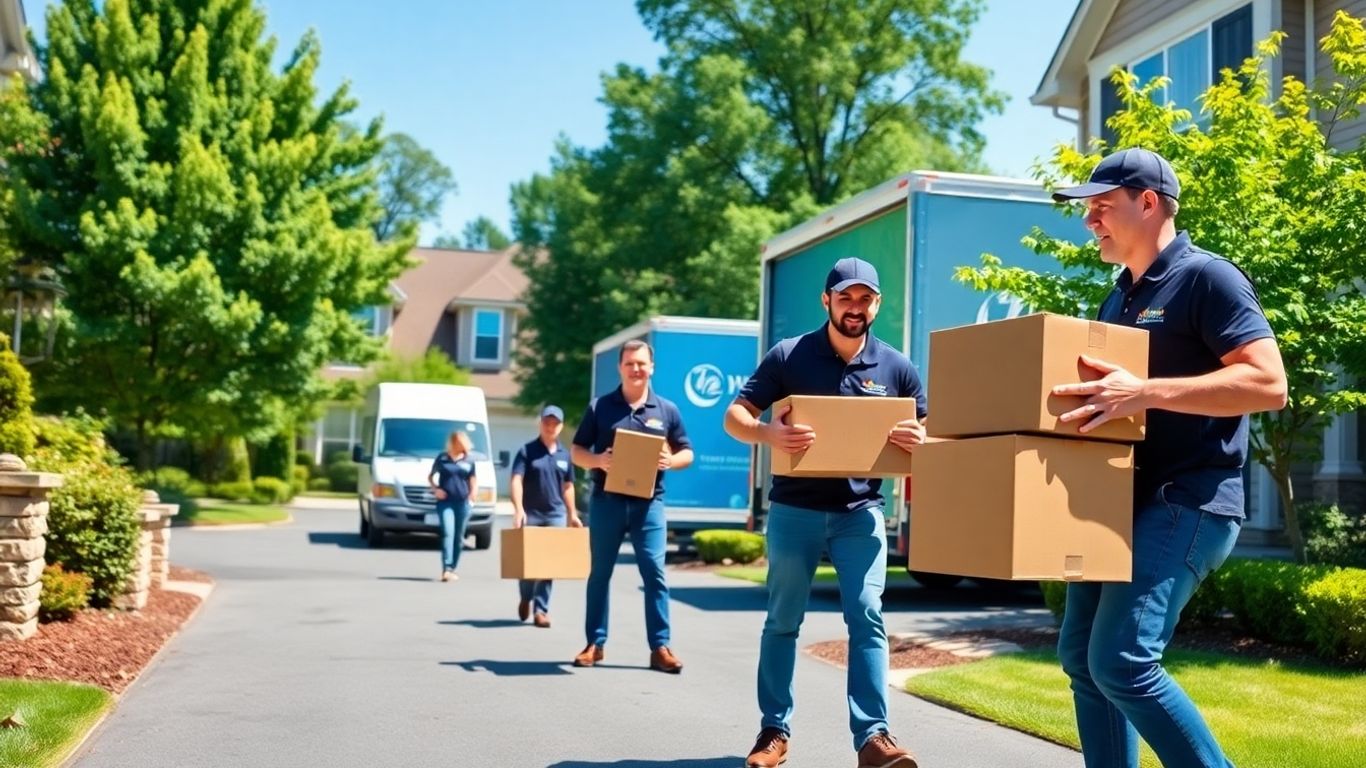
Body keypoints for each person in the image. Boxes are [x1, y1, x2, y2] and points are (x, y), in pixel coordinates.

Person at [1049, 147, 1287, 768]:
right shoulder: (1117, 299)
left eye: (1102, 206)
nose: (1090, 221)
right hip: (1113, 505)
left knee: (1123, 662)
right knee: (1081, 659)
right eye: (1088, 210)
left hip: (1187, 501)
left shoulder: (1209, 278)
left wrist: (1145, 391)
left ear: (1148, 202)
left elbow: (1269, 384)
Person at [724, 257, 926, 768]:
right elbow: (736, 415)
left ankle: (874, 739)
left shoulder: (897, 367)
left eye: (865, 299)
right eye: (846, 298)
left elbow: (929, 434)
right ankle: (773, 733)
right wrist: (767, 432)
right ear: (827, 300)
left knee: (868, 617)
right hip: (795, 510)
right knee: (782, 621)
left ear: (877, 303)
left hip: (861, 513)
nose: (855, 308)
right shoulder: (789, 356)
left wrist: (921, 440)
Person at [570, 339, 694, 673]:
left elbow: (687, 452)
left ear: (651, 367)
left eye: (641, 363)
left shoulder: (666, 410)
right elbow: (576, 451)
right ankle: (594, 644)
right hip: (606, 502)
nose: (636, 369)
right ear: (620, 368)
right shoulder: (600, 407)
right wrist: (597, 460)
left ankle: (661, 648)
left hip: (649, 505)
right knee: (600, 574)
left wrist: (672, 459)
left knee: (654, 574)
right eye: (630, 364)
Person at [510, 404, 583, 627]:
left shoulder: (565, 455)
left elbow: (568, 486)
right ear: (540, 423)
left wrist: (572, 513)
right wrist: (519, 509)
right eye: (547, 422)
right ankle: (525, 597)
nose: (550, 426)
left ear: (560, 426)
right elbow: (516, 480)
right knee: (528, 565)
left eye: (555, 423)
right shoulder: (527, 451)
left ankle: (541, 610)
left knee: (549, 565)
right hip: (531, 513)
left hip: (555, 514)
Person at [429, 430, 478, 582]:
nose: (460, 445)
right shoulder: (442, 458)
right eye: (457, 442)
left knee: (458, 537)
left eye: (462, 442)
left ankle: (453, 567)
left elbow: (473, 479)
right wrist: (435, 489)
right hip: (446, 502)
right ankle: (447, 568)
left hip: (463, 502)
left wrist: (472, 495)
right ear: (452, 443)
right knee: (448, 533)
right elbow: (430, 476)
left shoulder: (469, 460)